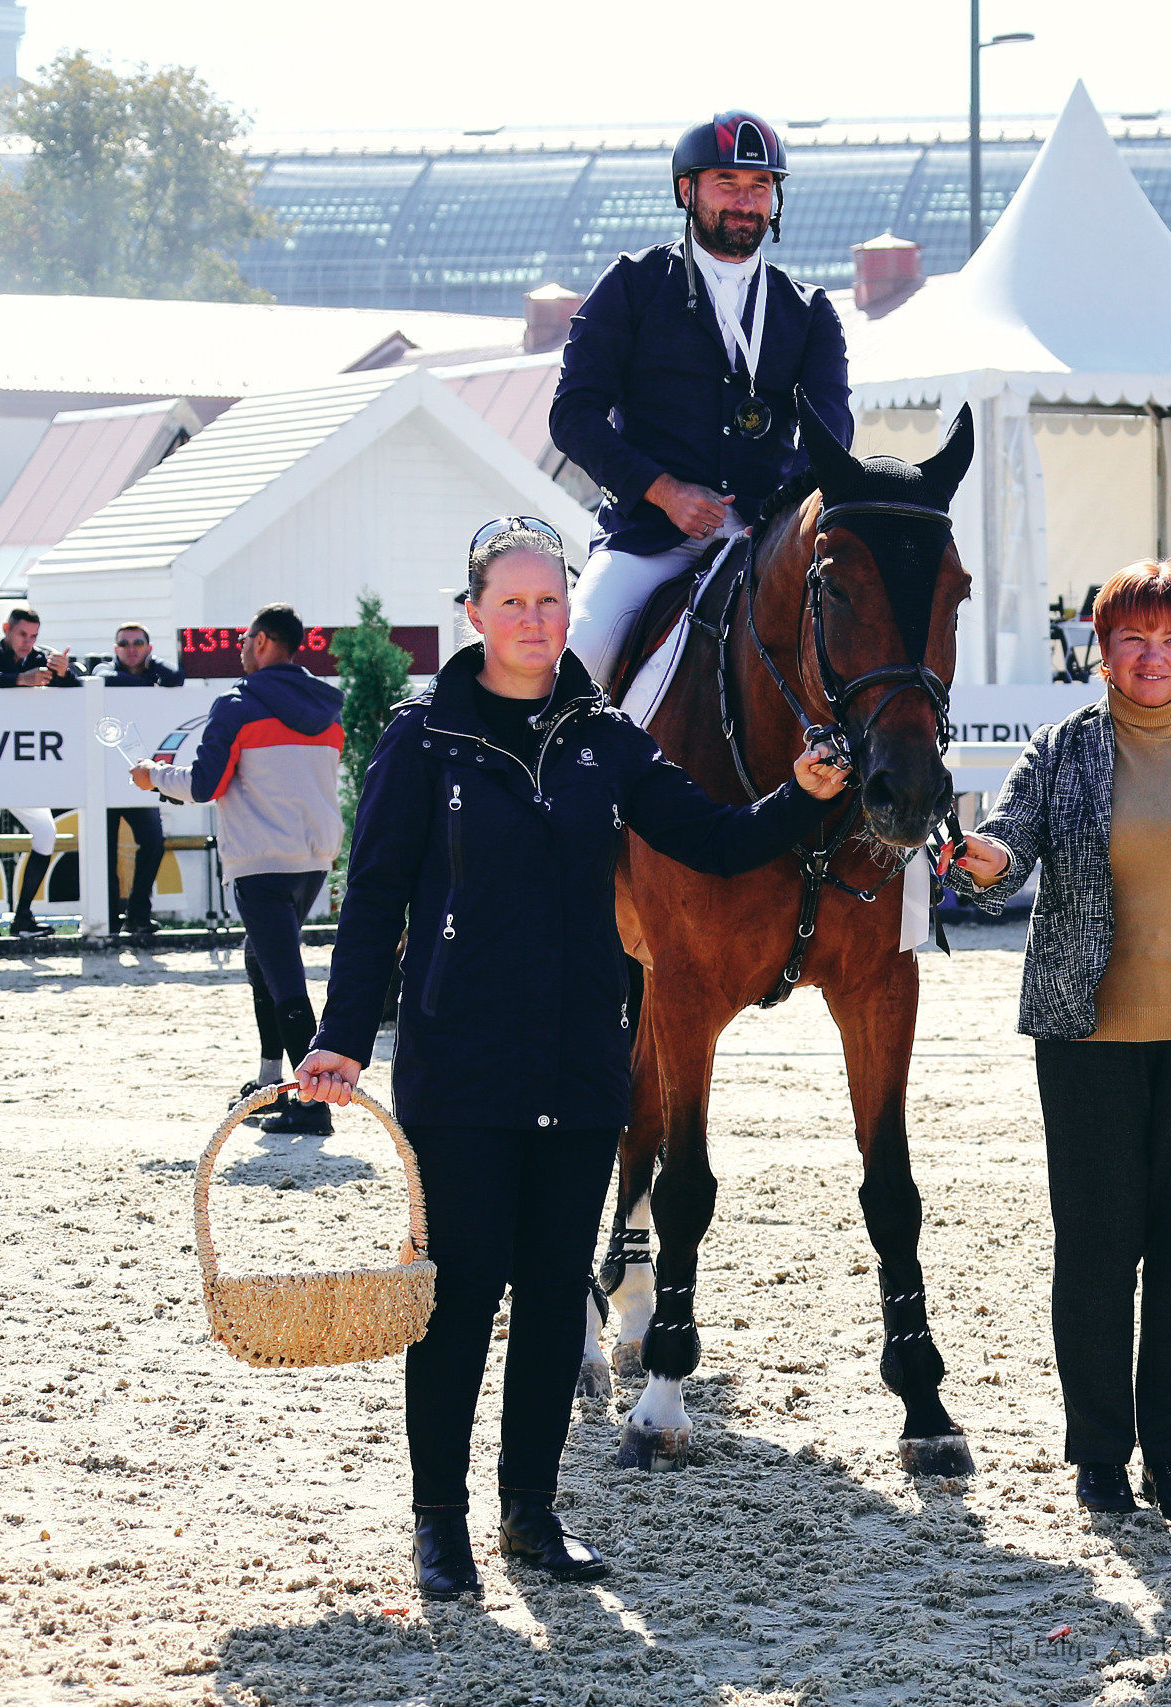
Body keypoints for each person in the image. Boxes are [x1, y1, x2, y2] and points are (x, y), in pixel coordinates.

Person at [294, 520, 852, 1599]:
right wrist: (341, 1037)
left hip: (583, 1063)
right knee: (456, 1302)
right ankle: (440, 1525)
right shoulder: (424, 739)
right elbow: (371, 903)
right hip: (460, 1063)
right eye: (514, 604)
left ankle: (531, 1515)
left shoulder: (605, 740)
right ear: (473, 615)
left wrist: (801, 798)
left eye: (551, 603)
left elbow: (717, 839)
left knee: (556, 1296)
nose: (537, 622)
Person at [944, 562, 1171, 1516]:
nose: (1153, 657)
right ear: (1102, 651)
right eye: (1133, 640)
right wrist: (983, 861)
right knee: (1098, 1249)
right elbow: (1007, 847)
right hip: (1087, 1043)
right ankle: (1102, 1456)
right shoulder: (1061, 752)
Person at [553, 109, 854, 687]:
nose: (745, 202)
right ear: (687, 190)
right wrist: (664, 493)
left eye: (759, 186)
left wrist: (768, 516)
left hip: (764, 545)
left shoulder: (809, 311)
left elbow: (831, 435)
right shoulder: (631, 285)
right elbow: (573, 415)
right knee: (578, 657)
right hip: (649, 541)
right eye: (727, 184)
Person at [136, 606, 344, 1136]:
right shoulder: (327, 706)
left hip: (259, 858)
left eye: (247, 638)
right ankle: (271, 1082)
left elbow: (206, 784)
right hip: (313, 856)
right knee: (262, 961)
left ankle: (311, 1103)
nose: (240, 647)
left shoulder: (238, 703)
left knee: (283, 975)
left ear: (266, 641)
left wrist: (154, 777)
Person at [0, 606, 82, 938]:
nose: (27, 643)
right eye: (22, 634)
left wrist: (63, 673)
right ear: (7, 629)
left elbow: (75, 689)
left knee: (46, 833)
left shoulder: (41, 658)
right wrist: (19, 680)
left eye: (33, 636)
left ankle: (22, 917)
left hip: (21, 768)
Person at [103, 622, 184, 943]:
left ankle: (137, 914)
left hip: (139, 779)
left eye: (139, 643)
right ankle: (108, 918)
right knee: (104, 852)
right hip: (103, 781)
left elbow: (177, 677)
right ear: (115, 649)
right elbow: (107, 678)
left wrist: (153, 666)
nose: (131, 648)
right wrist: (149, 680)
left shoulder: (156, 673)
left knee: (153, 841)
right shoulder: (104, 674)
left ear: (149, 649)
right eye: (124, 643)